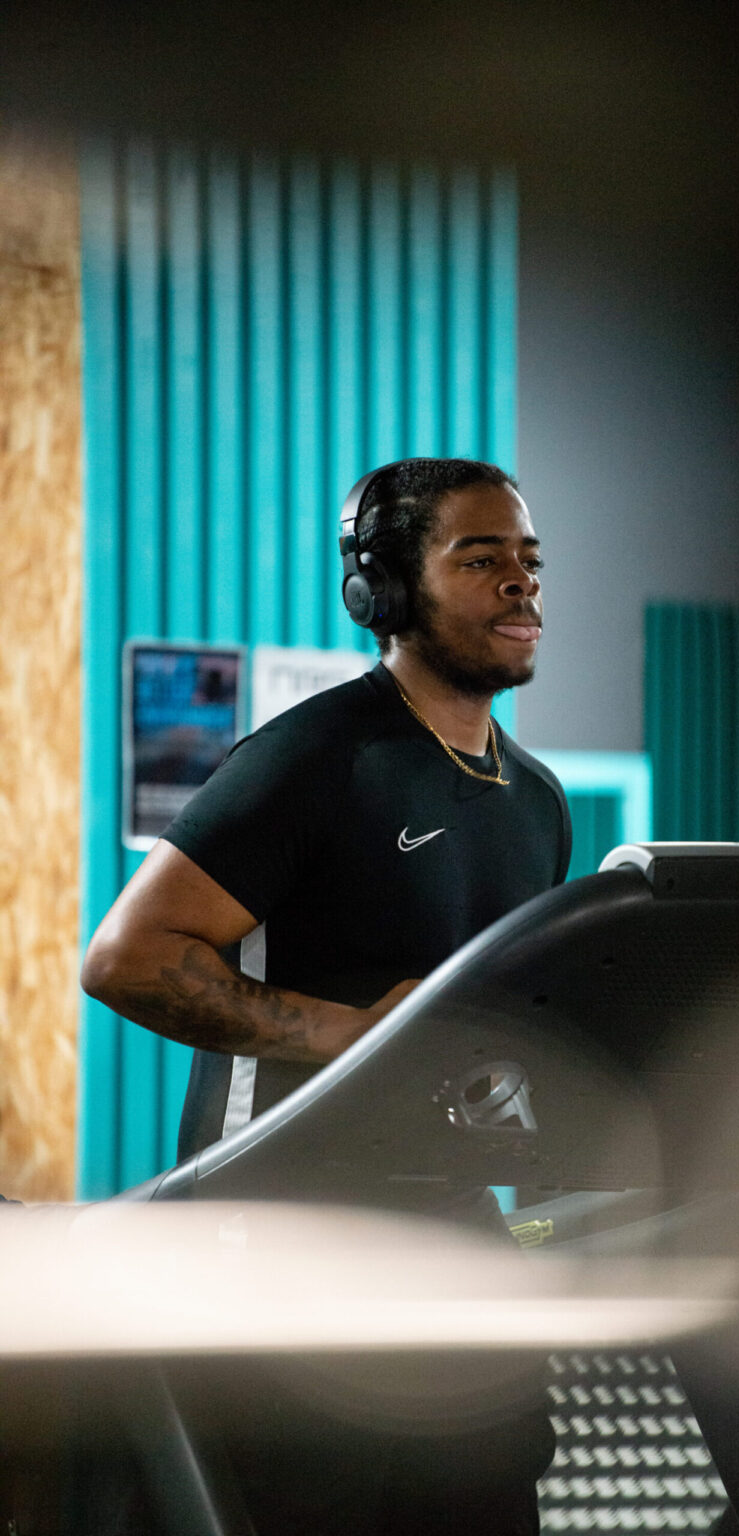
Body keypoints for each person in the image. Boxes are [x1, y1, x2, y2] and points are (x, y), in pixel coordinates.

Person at [81, 456, 570, 1535]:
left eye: (529, 560)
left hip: (447, 1238)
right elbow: (127, 957)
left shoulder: (535, 802)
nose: (520, 583)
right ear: (384, 590)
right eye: (479, 558)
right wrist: (356, 1035)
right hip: (279, 1232)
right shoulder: (317, 757)